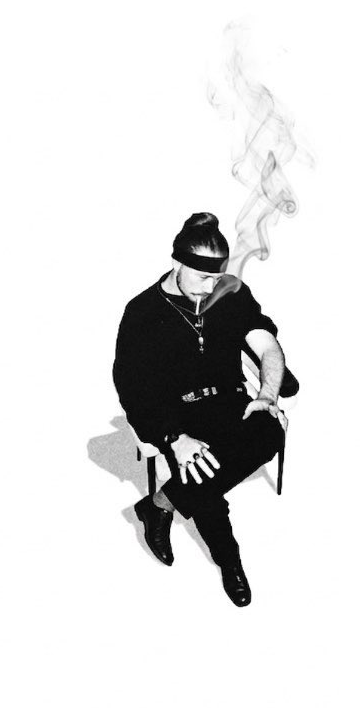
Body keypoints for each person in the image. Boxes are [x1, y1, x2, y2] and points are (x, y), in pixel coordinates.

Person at [113, 212, 291, 607]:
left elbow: (268, 346)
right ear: (177, 262)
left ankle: (159, 504)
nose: (210, 287)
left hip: (229, 402)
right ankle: (230, 562)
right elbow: (132, 390)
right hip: (178, 416)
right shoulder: (142, 312)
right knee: (201, 474)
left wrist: (267, 395)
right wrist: (175, 439)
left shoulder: (230, 293)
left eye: (216, 277)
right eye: (201, 277)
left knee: (269, 430)